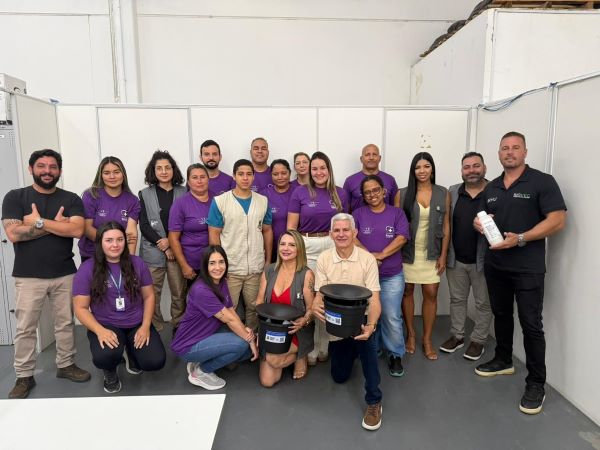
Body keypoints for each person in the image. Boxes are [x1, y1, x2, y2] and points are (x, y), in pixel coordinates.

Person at [474, 131, 566, 415]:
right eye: (505, 148)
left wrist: (522, 238)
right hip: (496, 265)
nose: (510, 152)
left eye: (515, 147)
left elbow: (558, 220)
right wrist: (480, 224)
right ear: (498, 154)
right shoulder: (492, 187)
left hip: (527, 268)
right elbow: (482, 218)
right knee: (501, 315)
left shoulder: (542, 181)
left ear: (525, 152)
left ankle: (536, 383)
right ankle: (503, 359)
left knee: (531, 324)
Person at [2, 149, 91, 399]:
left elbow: (77, 231)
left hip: (64, 272)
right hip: (28, 275)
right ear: (31, 169)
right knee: (26, 327)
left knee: (65, 323)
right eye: (41, 166)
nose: (47, 171)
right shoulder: (15, 197)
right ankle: (24, 376)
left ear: (59, 171)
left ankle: (66, 365)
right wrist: (58, 224)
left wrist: (38, 222)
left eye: (53, 167)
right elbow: (14, 234)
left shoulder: (71, 198)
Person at [72, 221, 165, 393]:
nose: (115, 245)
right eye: (109, 240)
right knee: (105, 356)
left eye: (119, 239)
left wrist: (145, 326)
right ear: (100, 242)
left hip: (136, 323)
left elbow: (149, 296)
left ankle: (131, 352)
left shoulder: (137, 263)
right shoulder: (87, 269)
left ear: (125, 241)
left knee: (154, 361)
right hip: (106, 324)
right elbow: (80, 308)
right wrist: (99, 331)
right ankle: (110, 371)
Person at [312, 213, 382, 431]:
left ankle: (374, 401)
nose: (341, 234)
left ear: (354, 233)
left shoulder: (367, 259)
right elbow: (319, 294)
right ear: (330, 234)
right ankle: (352, 349)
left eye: (346, 230)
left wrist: (371, 326)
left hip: (361, 318)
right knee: (339, 376)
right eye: (337, 230)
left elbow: (375, 300)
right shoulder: (324, 259)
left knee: (368, 352)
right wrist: (315, 304)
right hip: (337, 320)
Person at [287, 151, 349, 365]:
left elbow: (345, 226)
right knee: (310, 297)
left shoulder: (340, 193)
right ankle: (311, 347)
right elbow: (291, 228)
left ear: (329, 169)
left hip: (333, 244)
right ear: (309, 171)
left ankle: (326, 344)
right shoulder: (300, 192)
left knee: (329, 294)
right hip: (308, 245)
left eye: (323, 168)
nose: (319, 172)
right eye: (315, 168)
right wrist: (292, 251)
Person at [171, 246, 258, 390]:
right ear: (205, 266)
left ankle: (201, 359)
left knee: (246, 351)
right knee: (242, 345)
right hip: (188, 345)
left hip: (206, 334)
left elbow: (230, 310)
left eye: (221, 262)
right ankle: (201, 372)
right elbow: (228, 319)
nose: (218, 267)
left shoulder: (221, 282)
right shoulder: (201, 290)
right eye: (212, 263)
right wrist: (249, 339)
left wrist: (244, 330)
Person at [353, 175, 409, 377]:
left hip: (391, 275)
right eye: (367, 192)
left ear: (384, 191)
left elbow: (402, 238)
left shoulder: (397, 213)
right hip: (365, 276)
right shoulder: (358, 214)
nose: (372, 195)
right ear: (363, 195)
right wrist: (371, 258)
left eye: (376, 190)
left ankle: (395, 354)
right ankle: (373, 348)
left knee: (391, 315)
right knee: (368, 314)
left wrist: (381, 255)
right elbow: (352, 238)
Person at [208, 159, 273, 331]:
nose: (245, 178)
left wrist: (267, 260)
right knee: (228, 309)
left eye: (249, 174)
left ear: (253, 177)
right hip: (231, 269)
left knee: (255, 308)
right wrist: (219, 265)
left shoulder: (263, 201)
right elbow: (214, 234)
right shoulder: (220, 201)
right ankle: (231, 342)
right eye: (241, 174)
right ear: (234, 176)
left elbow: (267, 231)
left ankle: (251, 340)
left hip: (255, 267)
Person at [440, 152, 491, 361]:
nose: (471, 171)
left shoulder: (495, 190)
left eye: (476, 166)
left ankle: (478, 340)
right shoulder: (453, 192)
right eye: (466, 167)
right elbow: (446, 224)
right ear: (461, 170)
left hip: (483, 260)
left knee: (483, 303)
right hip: (456, 258)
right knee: (457, 300)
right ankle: (457, 336)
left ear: (484, 168)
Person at [399, 152, 450, 361]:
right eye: (418, 167)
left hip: (432, 253)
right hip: (407, 253)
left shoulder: (443, 193)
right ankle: (411, 334)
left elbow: (446, 226)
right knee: (407, 291)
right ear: (413, 171)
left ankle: (427, 339)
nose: (422, 171)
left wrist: (443, 255)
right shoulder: (402, 194)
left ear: (432, 169)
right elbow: (397, 225)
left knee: (431, 293)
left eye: (426, 166)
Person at [255, 230, 315, 386]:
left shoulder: (306, 274)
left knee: (273, 359)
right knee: (267, 381)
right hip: (272, 328)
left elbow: (311, 309)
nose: (286, 248)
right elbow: (259, 302)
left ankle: (300, 355)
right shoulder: (269, 270)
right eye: (282, 244)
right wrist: (261, 330)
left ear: (299, 249)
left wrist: (304, 321)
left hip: (294, 330)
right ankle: (290, 357)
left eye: (292, 245)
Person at [139, 150, 187, 332]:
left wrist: (172, 243)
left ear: (174, 170)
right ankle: (155, 328)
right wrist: (164, 243)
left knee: (179, 293)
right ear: (153, 171)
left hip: (178, 250)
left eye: (168, 167)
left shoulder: (185, 192)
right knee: (152, 294)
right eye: (159, 168)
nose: (164, 171)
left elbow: (188, 221)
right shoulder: (144, 194)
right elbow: (144, 225)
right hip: (153, 251)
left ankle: (178, 327)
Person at [78, 156, 140, 261]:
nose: (112, 176)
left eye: (116, 172)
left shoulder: (132, 200)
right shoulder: (91, 195)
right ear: (101, 175)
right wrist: (112, 244)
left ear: (123, 174)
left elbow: (131, 235)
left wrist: (130, 261)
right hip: (92, 255)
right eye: (106, 173)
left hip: (120, 256)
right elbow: (87, 228)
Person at [169, 164, 213, 304]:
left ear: (208, 179)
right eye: (194, 177)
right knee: (191, 302)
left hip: (213, 263)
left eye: (202, 177)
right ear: (188, 181)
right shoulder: (180, 204)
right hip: (191, 263)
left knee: (212, 301)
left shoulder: (218, 200)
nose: (199, 181)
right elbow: (173, 238)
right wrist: (184, 266)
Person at [343, 144, 399, 212]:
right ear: (361, 159)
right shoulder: (350, 181)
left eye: (374, 154)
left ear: (379, 158)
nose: (371, 157)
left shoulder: (390, 180)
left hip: (386, 219)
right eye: (367, 155)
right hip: (357, 219)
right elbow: (345, 209)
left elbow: (396, 207)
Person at [261, 159, 294, 258]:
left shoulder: (298, 192)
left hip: (294, 248)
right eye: (275, 174)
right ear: (271, 175)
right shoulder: (263, 195)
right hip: (270, 249)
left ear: (290, 173)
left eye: (283, 173)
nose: (280, 177)